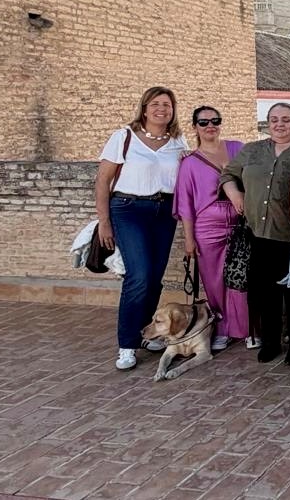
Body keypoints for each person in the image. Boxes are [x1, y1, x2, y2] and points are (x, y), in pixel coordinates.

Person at [95, 85, 188, 370]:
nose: (162, 109)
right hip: (128, 209)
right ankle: (127, 344)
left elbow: (187, 179)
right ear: (145, 108)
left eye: (167, 105)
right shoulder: (124, 137)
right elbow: (102, 181)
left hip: (163, 212)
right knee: (139, 276)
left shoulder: (178, 142)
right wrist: (104, 222)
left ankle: (147, 334)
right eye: (156, 104)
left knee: (155, 277)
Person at [220, 103, 290, 364]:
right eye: (274, 119)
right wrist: (235, 194)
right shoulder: (252, 150)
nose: (279, 124)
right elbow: (228, 174)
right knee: (265, 293)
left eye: (286, 119)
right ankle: (271, 342)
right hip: (257, 234)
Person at [173, 105, 249, 352]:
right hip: (208, 227)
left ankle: (248, 328)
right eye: (203, 122)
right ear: (194, 126)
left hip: (240, 223)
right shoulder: (189, 163)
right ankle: (222, 328)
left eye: (215, 120)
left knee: (242, 277)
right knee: (214, 282)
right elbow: (185, 204)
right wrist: (189, 239)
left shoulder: (238, 148)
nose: (210, 126)